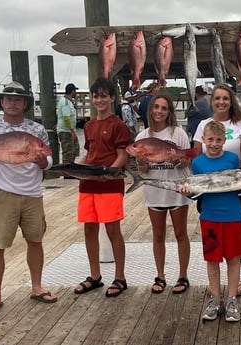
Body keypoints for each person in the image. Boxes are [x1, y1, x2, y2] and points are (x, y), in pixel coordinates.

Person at [0, 81, 57, 317]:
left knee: (35, 240)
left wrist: (42, 161)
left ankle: (37, 286)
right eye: (8, 99)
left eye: (18, 99)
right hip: (3, 193)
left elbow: (48, 161)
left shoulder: (37, 130)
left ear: (25, 103)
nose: (13, 102)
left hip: (32, 193)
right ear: (2, 102)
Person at [179, 120, 241, 322]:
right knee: (212, 260)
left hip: (233, 216)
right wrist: (188, 193)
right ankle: (215, 299)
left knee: (234, 259)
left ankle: (231, 299)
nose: (214, 144)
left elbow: (237, 187)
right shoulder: (198, 163)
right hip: (209, 217)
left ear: (225, 140)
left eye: (218, 140)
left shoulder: (232, 159)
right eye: (210, 140)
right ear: (203, 140)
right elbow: (198, 193)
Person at [74, 78, 131, 298]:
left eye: (104, 95)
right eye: (96, 96)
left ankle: (120, 277)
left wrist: (107, 173)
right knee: (89, 228)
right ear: (92, 98)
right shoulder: (88, 125)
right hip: (87, 183)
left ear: (112, 98)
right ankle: (95, 275)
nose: (99, 100)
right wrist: (75, 169)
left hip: (109, 185)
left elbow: (122, 155)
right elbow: (90, 154)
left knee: (112, 230)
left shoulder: (118, 125)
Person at [192, 83, 241, 296]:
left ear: (231, 101)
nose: (221, 102)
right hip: (210, 195)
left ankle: (233, 286)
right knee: (213, 247)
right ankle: (216, 290)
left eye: (225, 98)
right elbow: (197, 157)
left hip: (234, 190)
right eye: (217, 98)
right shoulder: (203, 125)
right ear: (212, 101)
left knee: (232, 243)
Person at [134, 94, 192, 294]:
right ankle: (160, 276)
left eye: (164, 108)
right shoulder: (142, 138)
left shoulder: (178, 133)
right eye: (156, 107)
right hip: (154, 191)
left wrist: (177, 160)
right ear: (151, 110)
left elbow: (187, 161)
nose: (159, 111)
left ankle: (183, 276)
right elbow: (143, 170)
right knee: (158, 235)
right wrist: (142, 161)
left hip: (176, 190)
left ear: (169, 113)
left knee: (180, 233)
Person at [56, 83, 80, 165]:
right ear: (73, 91)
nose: (76, 93)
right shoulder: (65, 102)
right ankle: (66, 173)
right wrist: (72, 132)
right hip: (66, 131)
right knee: (67, 152)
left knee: (73, 150)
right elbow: (66, 117)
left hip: (69, 130)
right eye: (75, 91)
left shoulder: (69, 102)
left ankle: (71, 170)